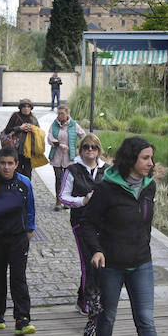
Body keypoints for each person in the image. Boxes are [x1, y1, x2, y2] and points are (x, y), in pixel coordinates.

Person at [79, 136, 168, 336]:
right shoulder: (106, 189)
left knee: (145, 319)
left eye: (151, 158)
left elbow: (144, 226)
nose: (150, 163)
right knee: (107, 316)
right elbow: (87, 224)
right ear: (131, 159)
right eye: (145, 158)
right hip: (111, 264)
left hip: (142, 263)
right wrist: (97, 250)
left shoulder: (149, 187)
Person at [0, 146, 36, 336]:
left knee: (18, 278)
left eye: (10, 164)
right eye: (3, 163)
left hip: (19, 238)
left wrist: (30, 229)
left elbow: (30, 208)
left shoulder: (24, 183)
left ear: (16, 165)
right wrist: (9, 203)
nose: (6, 167)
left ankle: (22, 318)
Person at [58, 133, 106, 315]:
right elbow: (63, 196)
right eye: (86, 146)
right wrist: (82, 201)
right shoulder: (72, 170)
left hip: (103, 224)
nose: (90, 150)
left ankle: (86, 297)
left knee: (101, 262)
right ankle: (88, 302)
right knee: (88, 262)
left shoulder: (107, 170)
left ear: (99, 149)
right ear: (81, 149)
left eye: (94, 147)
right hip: (81, 222)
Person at [46, 105, 86, 211]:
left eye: (62, 113)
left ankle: (67, 201)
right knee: (58, 178)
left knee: (68, 180)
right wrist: (58, 144)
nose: (59, 115)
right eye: (58, 113)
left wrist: (79, 148)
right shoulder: (54, 124)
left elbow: (83, 136)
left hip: (69, 157)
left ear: (67, 114)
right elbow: (49, 137)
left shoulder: (73, 124)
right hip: (57, 156)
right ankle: (58, 201)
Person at [0, 99, 39, 178]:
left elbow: (38, 133)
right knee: (17, 170)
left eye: (28, 107)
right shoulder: (15, 116)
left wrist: (32, 130)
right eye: (24, 106)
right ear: (20, 108)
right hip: (16, 149)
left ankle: (26, 188)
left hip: (28, 150)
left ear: (31, 108)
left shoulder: (33, 119)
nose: (26, 108)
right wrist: (19, 128)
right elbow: (7, 130)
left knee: (28, 172)